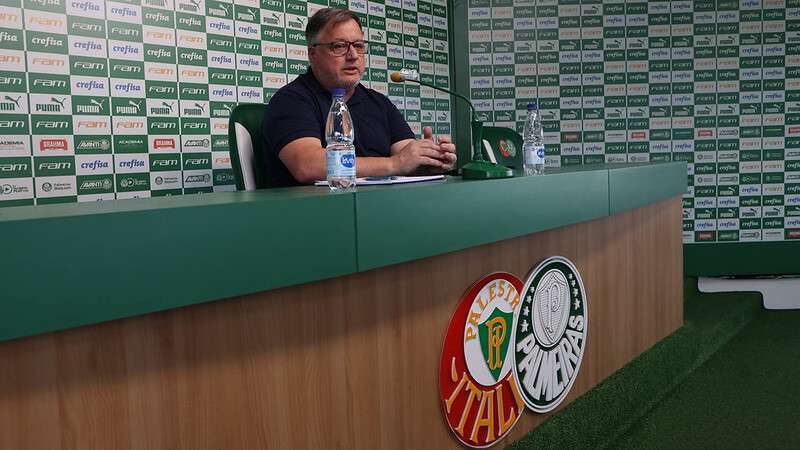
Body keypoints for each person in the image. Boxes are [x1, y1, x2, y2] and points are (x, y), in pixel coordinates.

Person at [260, 8, 457, 187]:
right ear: (313, 53)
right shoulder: (291, 100)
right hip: (313, 214)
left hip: (379, 210)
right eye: (339, 46)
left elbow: (405, 153)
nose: (353, 55)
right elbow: (308, 166)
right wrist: (395, 164)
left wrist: (429, 160)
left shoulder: (379, 103)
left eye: (359, 45)